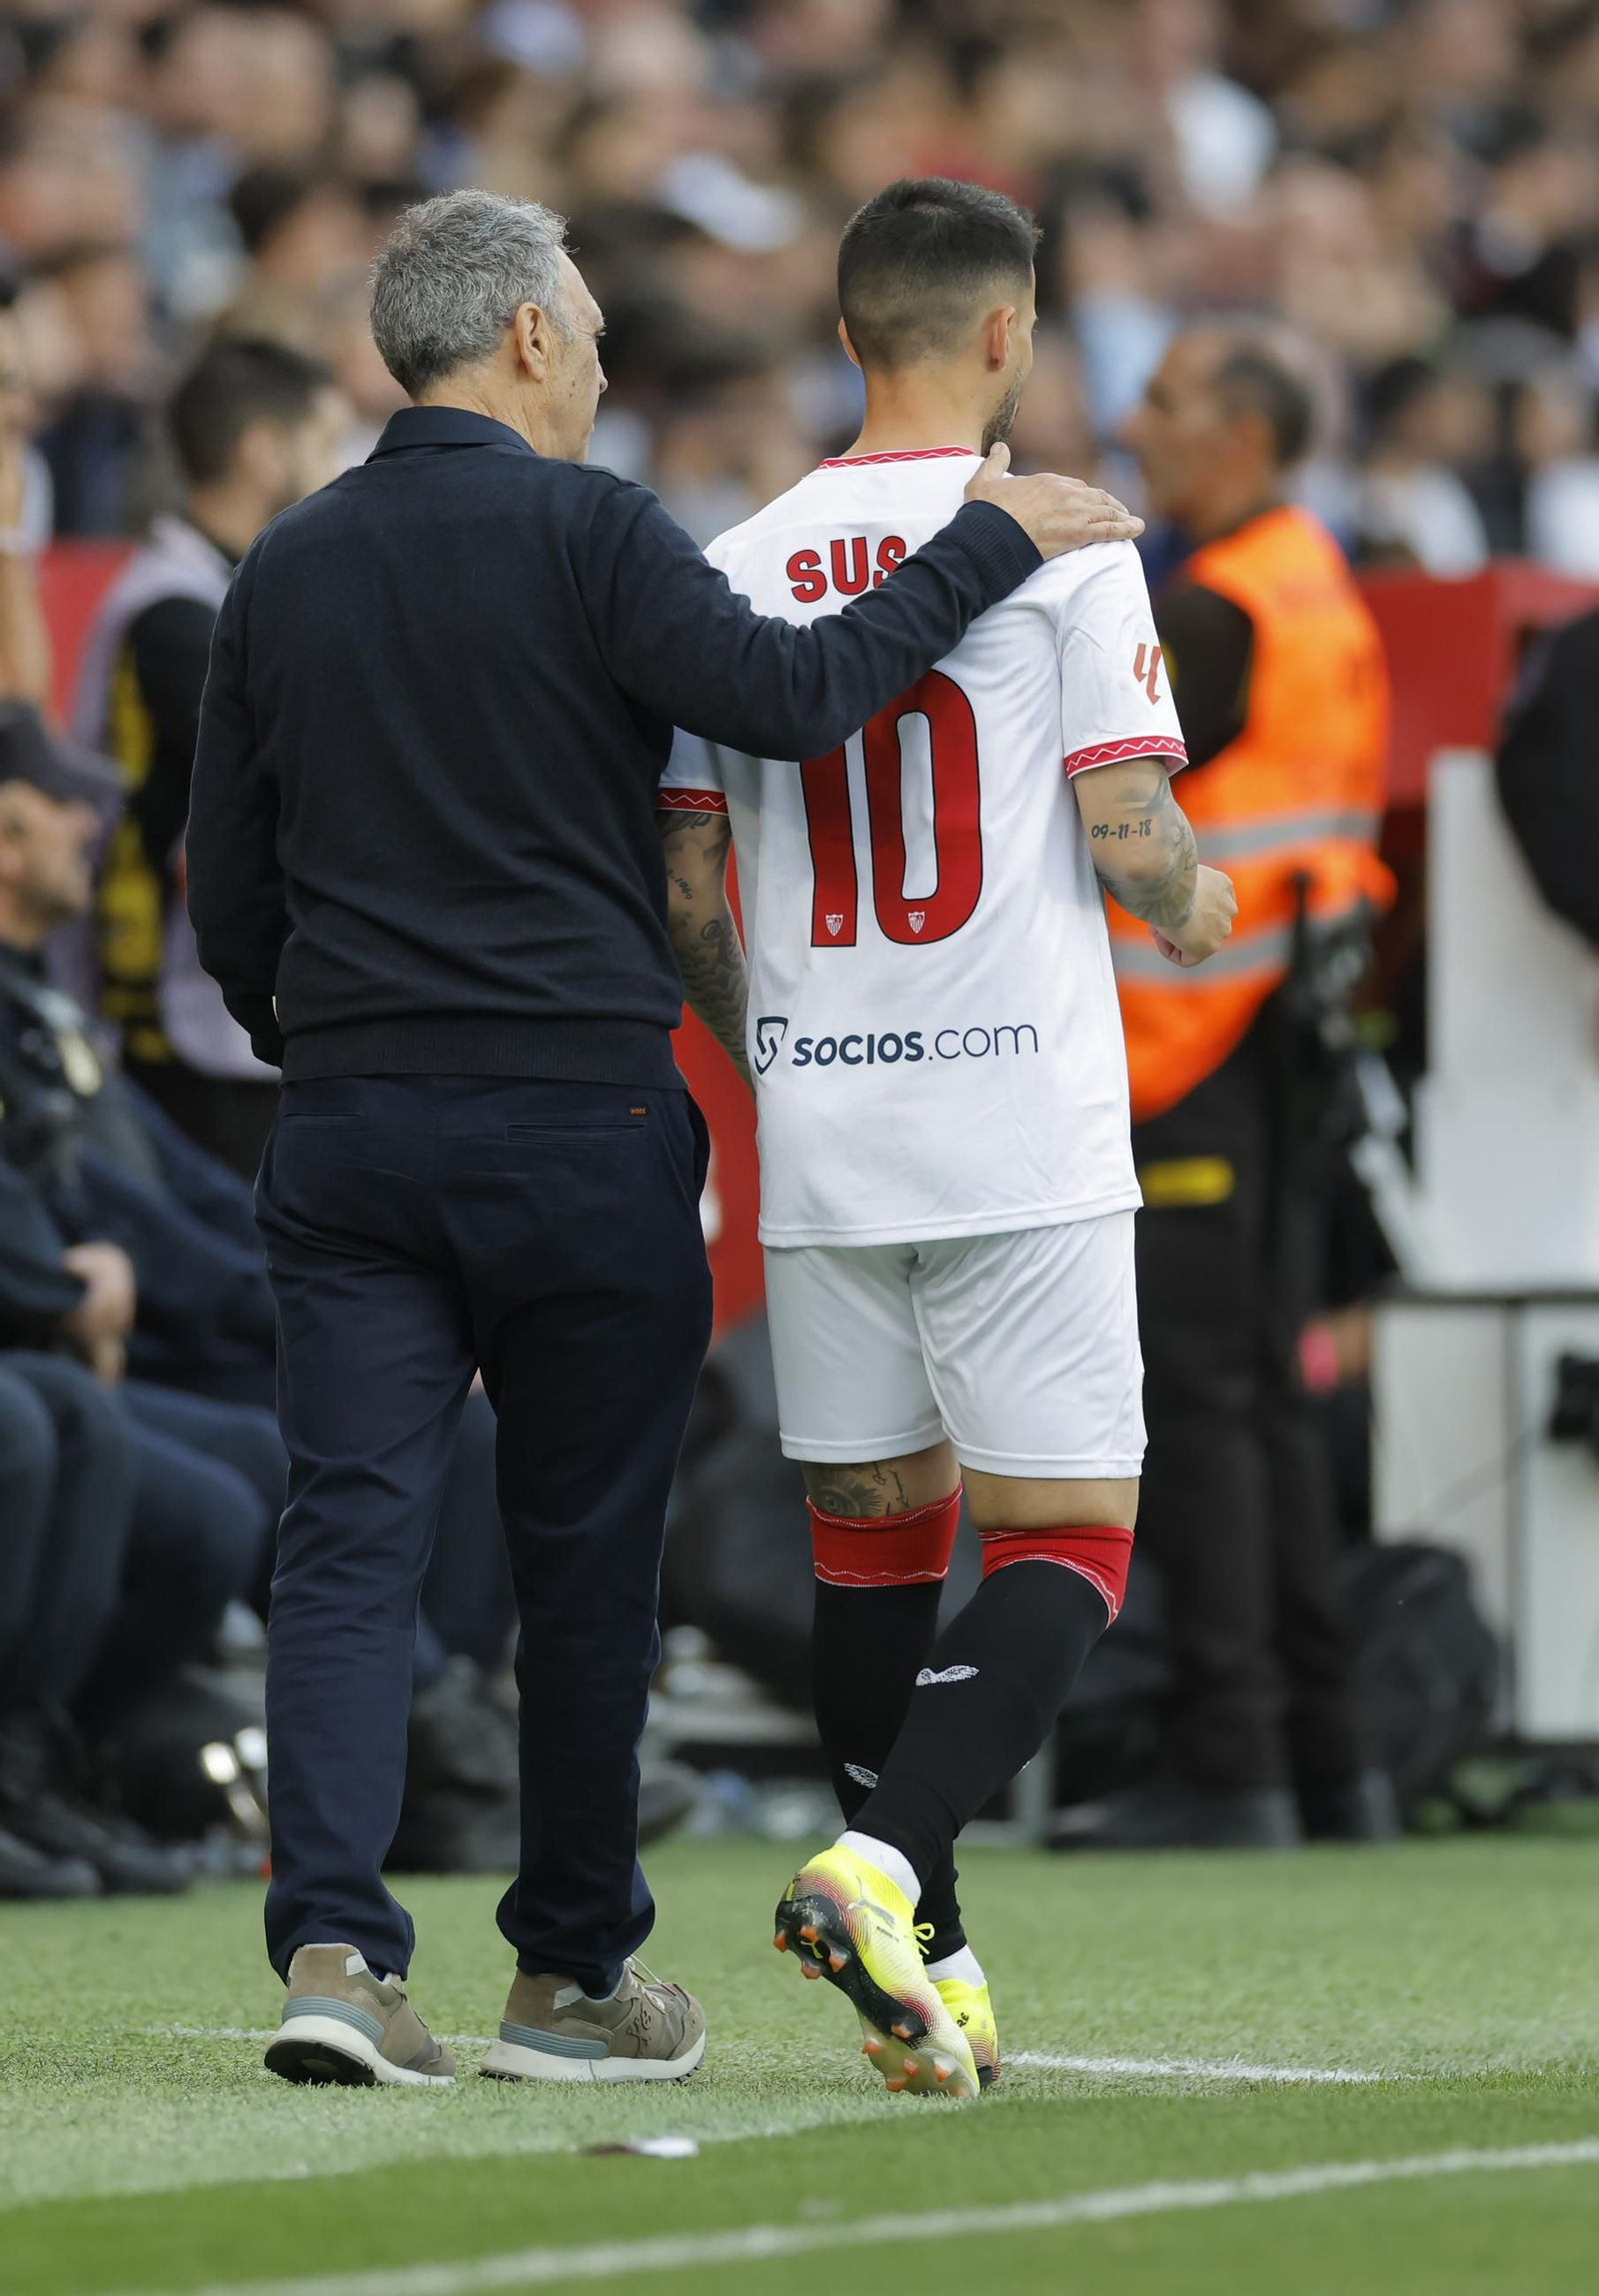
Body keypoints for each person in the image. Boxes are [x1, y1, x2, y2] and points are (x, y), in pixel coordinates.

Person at [184, 186, 1136, 2091]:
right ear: (528, 337)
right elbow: (797, 696)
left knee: (350, 1539)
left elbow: (227, 887)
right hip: (573, 1115)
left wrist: (332, 1038)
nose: (609, 360)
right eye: (597, 328)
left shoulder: (286, 560)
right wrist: (982, 537)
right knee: (584, 1560)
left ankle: (335, 1953)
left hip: (357, 1119)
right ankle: (567, 1980)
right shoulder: (594, 529)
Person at [658, 177, 1232, 2098]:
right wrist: (1207, 904)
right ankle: (888, 1862)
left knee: (871, 1540)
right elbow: (1138, 841)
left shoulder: (728, 559)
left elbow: (686, 883)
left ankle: (938, 1954)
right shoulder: (1063, 539)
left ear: (845, 341)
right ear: (1010, 333)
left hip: (823, 1128)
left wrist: (786, 1048)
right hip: (1017, 1118)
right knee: (1067, 1528)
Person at [1054, 324, 1396, 1851]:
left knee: (1203, 1411)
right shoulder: (1308, 579)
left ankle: (1233, 1758)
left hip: (1188, 1051)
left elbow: (1094, 791)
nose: (1136, 419)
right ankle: (1328, 1760)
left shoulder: (1208, 606)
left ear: (1245, 441)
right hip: (1281, 1038)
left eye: (1169, 401)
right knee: (1260, 1404)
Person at [73, 338, 350, 1177]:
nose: (340, 470)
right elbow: (302, 784)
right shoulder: (174, 611)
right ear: (262, 450)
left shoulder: (235, 593)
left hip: (236, 1021)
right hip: (182, 1029)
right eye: (325, 442)